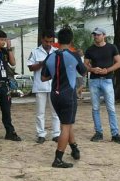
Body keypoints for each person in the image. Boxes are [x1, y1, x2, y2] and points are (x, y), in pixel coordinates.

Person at [42, 28, 87, 168]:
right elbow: (83, 72)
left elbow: (44, 77)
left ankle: (74, 148)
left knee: (66, 123)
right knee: (66, 126)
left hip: (54, 95)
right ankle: (58, 159)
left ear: (57, 40)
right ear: (71, 40)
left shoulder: (50, 56)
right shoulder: (73, 55)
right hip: (68, 95)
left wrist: (57, 73)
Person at [84, 27, 120, 145]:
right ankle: (98, 132)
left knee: (111, 108)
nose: (96, 37)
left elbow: (119, 63)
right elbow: (85, 65)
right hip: (94, 81)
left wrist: (107, 70)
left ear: (104, 35)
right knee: (95, 108)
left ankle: (115, 133)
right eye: (94, 35)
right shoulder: (90, 50)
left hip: (107, 80)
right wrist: (92, 69)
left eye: (98, 35)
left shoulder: (112, 47)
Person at [27, 30, 60, 144]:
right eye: (46, 41)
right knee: (40, 112)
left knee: (55, 112)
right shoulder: (35, 51)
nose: (48, 44)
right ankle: (41, 134)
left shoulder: (56, 51)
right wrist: (42, 63)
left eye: (51, 41)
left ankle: (56, 134)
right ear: (42, 40)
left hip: (54, 85)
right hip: (40, 85)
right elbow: (30, 67)